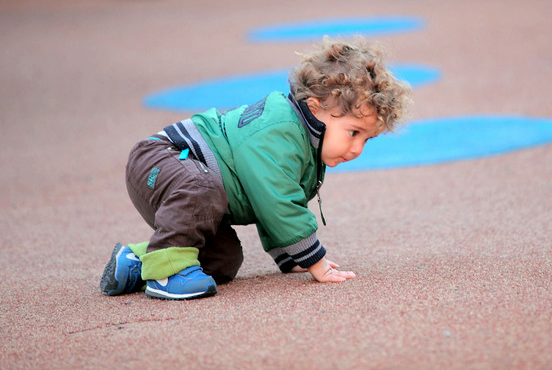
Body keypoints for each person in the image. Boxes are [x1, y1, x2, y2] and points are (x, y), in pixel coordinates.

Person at [100, 37, 412, 300]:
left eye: (366, 140)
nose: (357, 148)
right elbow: (276, 199)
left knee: (223, 261)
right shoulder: (282, 130)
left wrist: (291, 258)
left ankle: (136, 261)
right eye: (353, 132)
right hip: (162, 159)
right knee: (201, 189)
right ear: (317, 108)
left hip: (187, 180)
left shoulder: (307, 146)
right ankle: (164, 276)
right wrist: (315, 261)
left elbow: (271, 200)